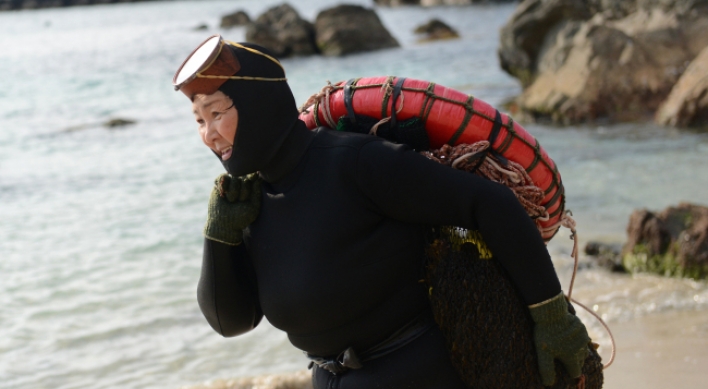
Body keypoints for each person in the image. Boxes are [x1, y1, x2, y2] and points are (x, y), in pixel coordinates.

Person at [173, 35, 591, 388]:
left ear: (258, 103)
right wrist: (220, 235)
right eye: (198, 120)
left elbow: (487, 202)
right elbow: (231, 321)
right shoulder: (248, 201)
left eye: (217, 113)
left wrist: (550, 315)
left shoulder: (357, 163)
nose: (209, 134)